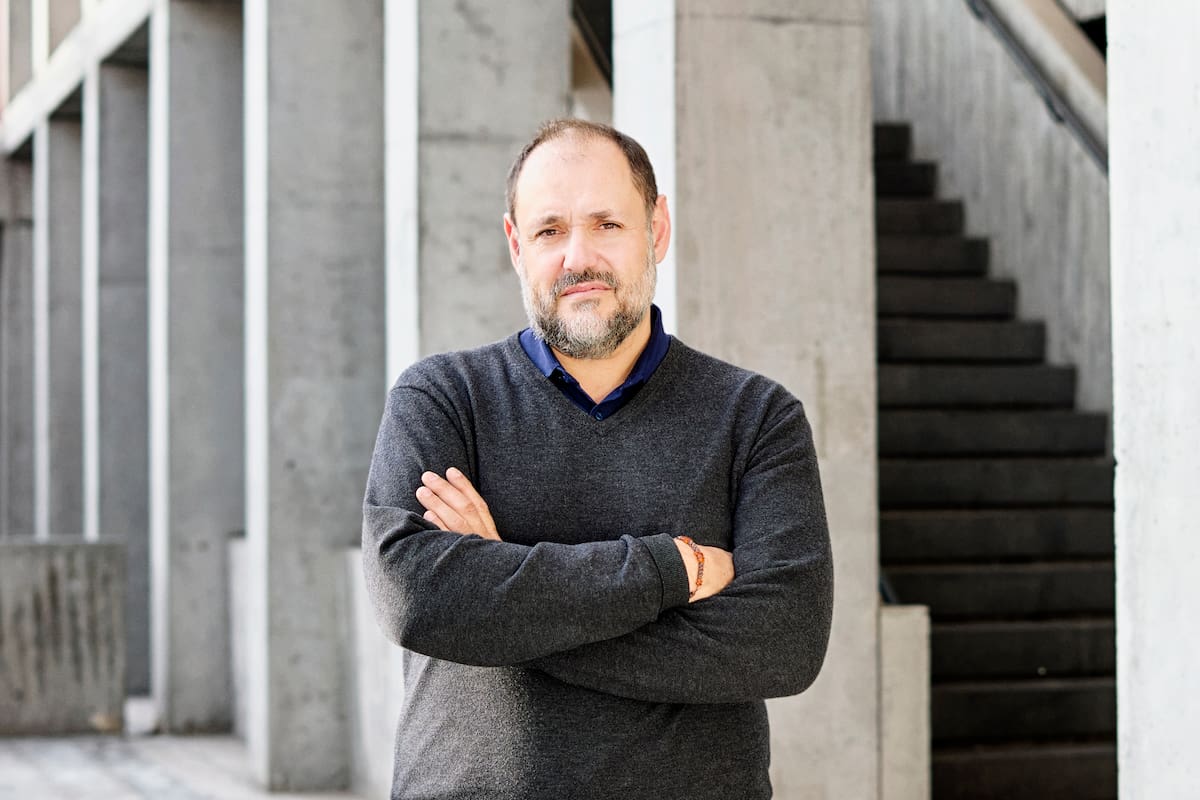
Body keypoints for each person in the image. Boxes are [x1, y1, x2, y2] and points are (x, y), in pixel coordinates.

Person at [362, 118, 833, 800]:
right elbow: (416, 599)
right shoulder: (442, 398)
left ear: (656, 229)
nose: (578, 257)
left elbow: (783, 644)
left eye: (607, 224)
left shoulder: (756, 417)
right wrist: (667, 569)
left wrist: (502, 603)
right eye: (550, 230)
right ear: (516, 245)